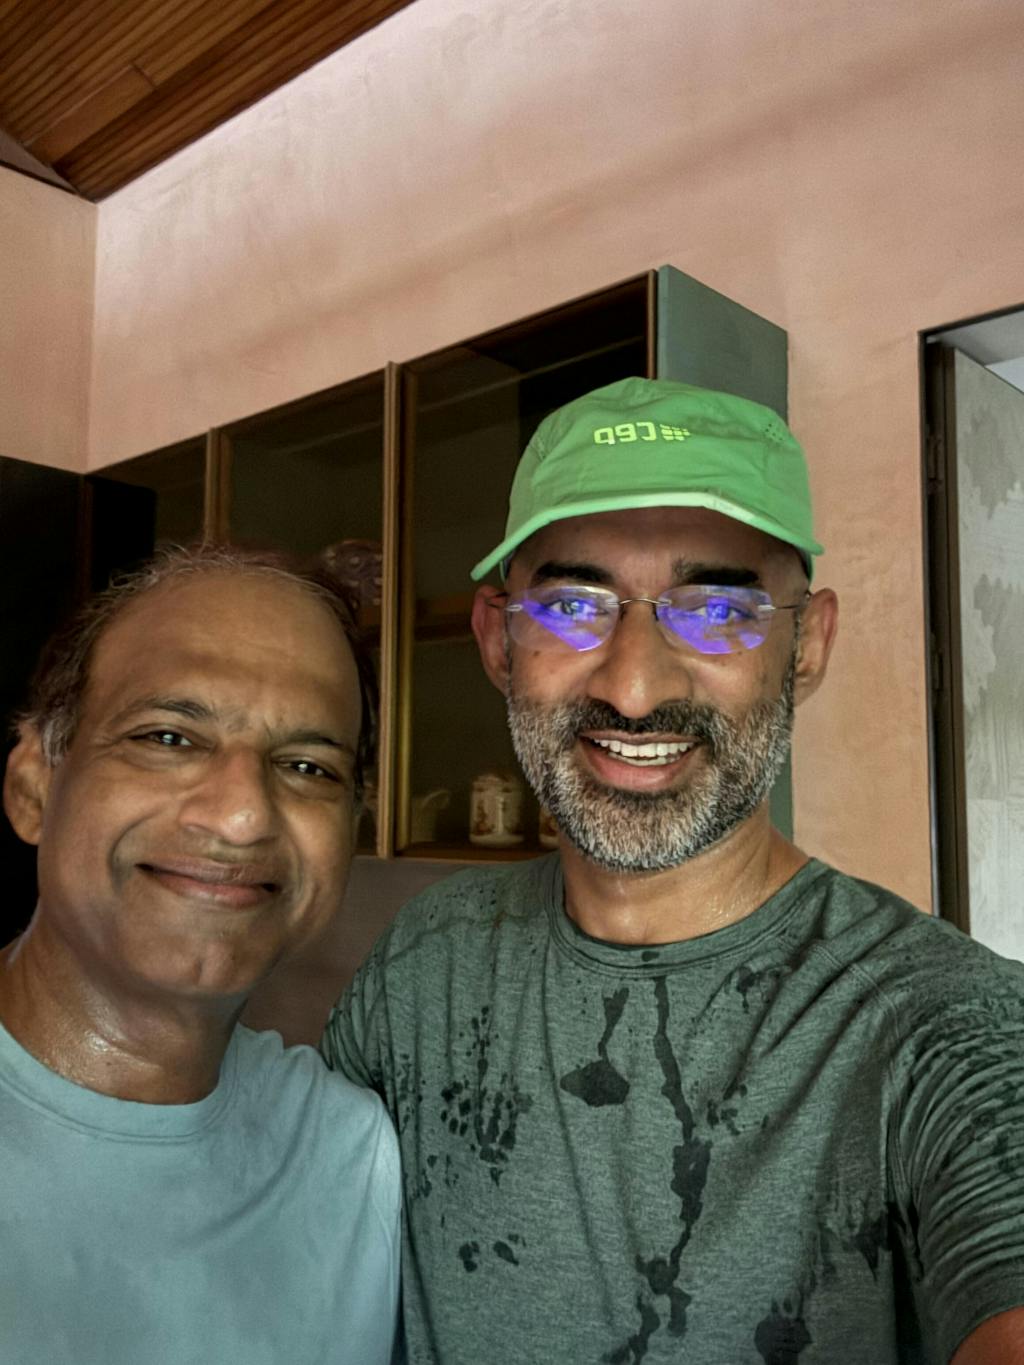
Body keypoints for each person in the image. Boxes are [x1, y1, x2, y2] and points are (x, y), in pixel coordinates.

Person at [324, 377, 1024, 1365]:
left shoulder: (945, 1027)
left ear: (808, 644)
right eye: (573, 605)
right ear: (496, 639)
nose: (633, 685)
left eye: (718, 609)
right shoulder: (425, 963)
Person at [0, 545, 401, 1365]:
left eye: (307, 766)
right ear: (33, 785)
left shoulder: (352, 1155)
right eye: (169, 736)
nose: (242, 815)